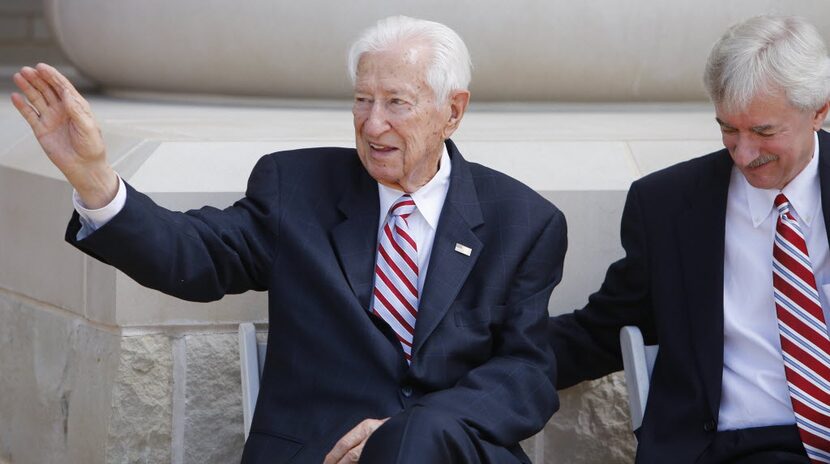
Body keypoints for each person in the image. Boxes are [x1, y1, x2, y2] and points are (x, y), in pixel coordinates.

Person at [11, 16, 566, 464]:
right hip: (319, 449)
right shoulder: (296, 189)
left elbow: (525, 373)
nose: (372, 126)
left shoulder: (521, 221)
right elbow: (195, 254)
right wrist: (94, 178)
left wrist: (412, 430)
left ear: (453, 111)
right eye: (361, 101)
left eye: (397, 102)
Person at [549, 15, 830, 463]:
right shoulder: (668, 205)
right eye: (727, 129)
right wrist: (467, 355)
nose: (743, 153)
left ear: (819, 110)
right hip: (732, 446)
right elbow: (599, 332)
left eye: (763, 131)